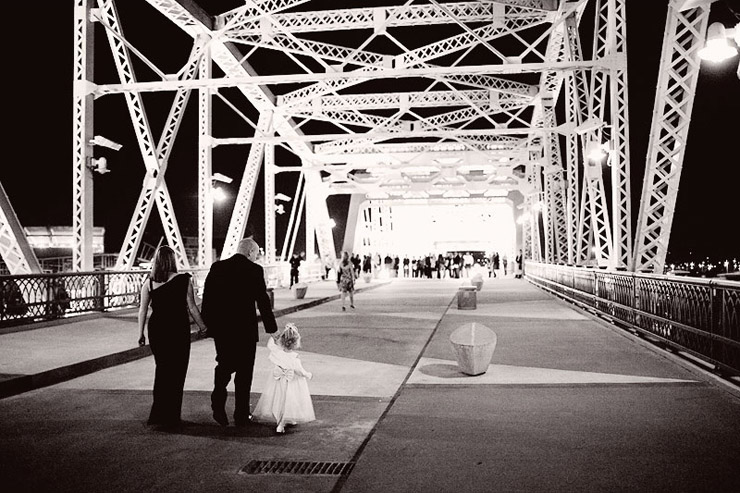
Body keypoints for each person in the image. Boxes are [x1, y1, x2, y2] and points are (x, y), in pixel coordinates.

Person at [201, 238, 278, 427]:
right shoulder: (254, 270)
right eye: (257, 253)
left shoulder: (217, 267)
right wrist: (272, 329)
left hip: (223, 330)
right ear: (250, 252)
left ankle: (218, 402)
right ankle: (241, 415)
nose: (257, 256)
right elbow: (262, 301)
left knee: (224, 366)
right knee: (244, 373)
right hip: (245, 330)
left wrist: (207, 326)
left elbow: (208, 298)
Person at [137, 245, 208, 429]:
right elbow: (192, 307)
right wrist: (203, 327)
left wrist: (140, 334)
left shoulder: (149, 282)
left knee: (162, 370)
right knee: (177, 372)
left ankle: (158, 415)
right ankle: (172, 416)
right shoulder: (184, 280)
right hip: (177, 329)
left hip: (157, 329)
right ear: (172, 260)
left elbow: (142, 310)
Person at [252, 323, 315, 434]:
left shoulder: (277, 352)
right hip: (290, 384)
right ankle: (283, 422)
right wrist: (307, 374)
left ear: (282, 341)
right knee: (289, 400)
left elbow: (270, 345)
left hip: (278, 381)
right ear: (295, 343)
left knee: (278, 400)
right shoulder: (294, 357)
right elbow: (299, 371)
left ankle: (281, 420)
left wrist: (274, 336)